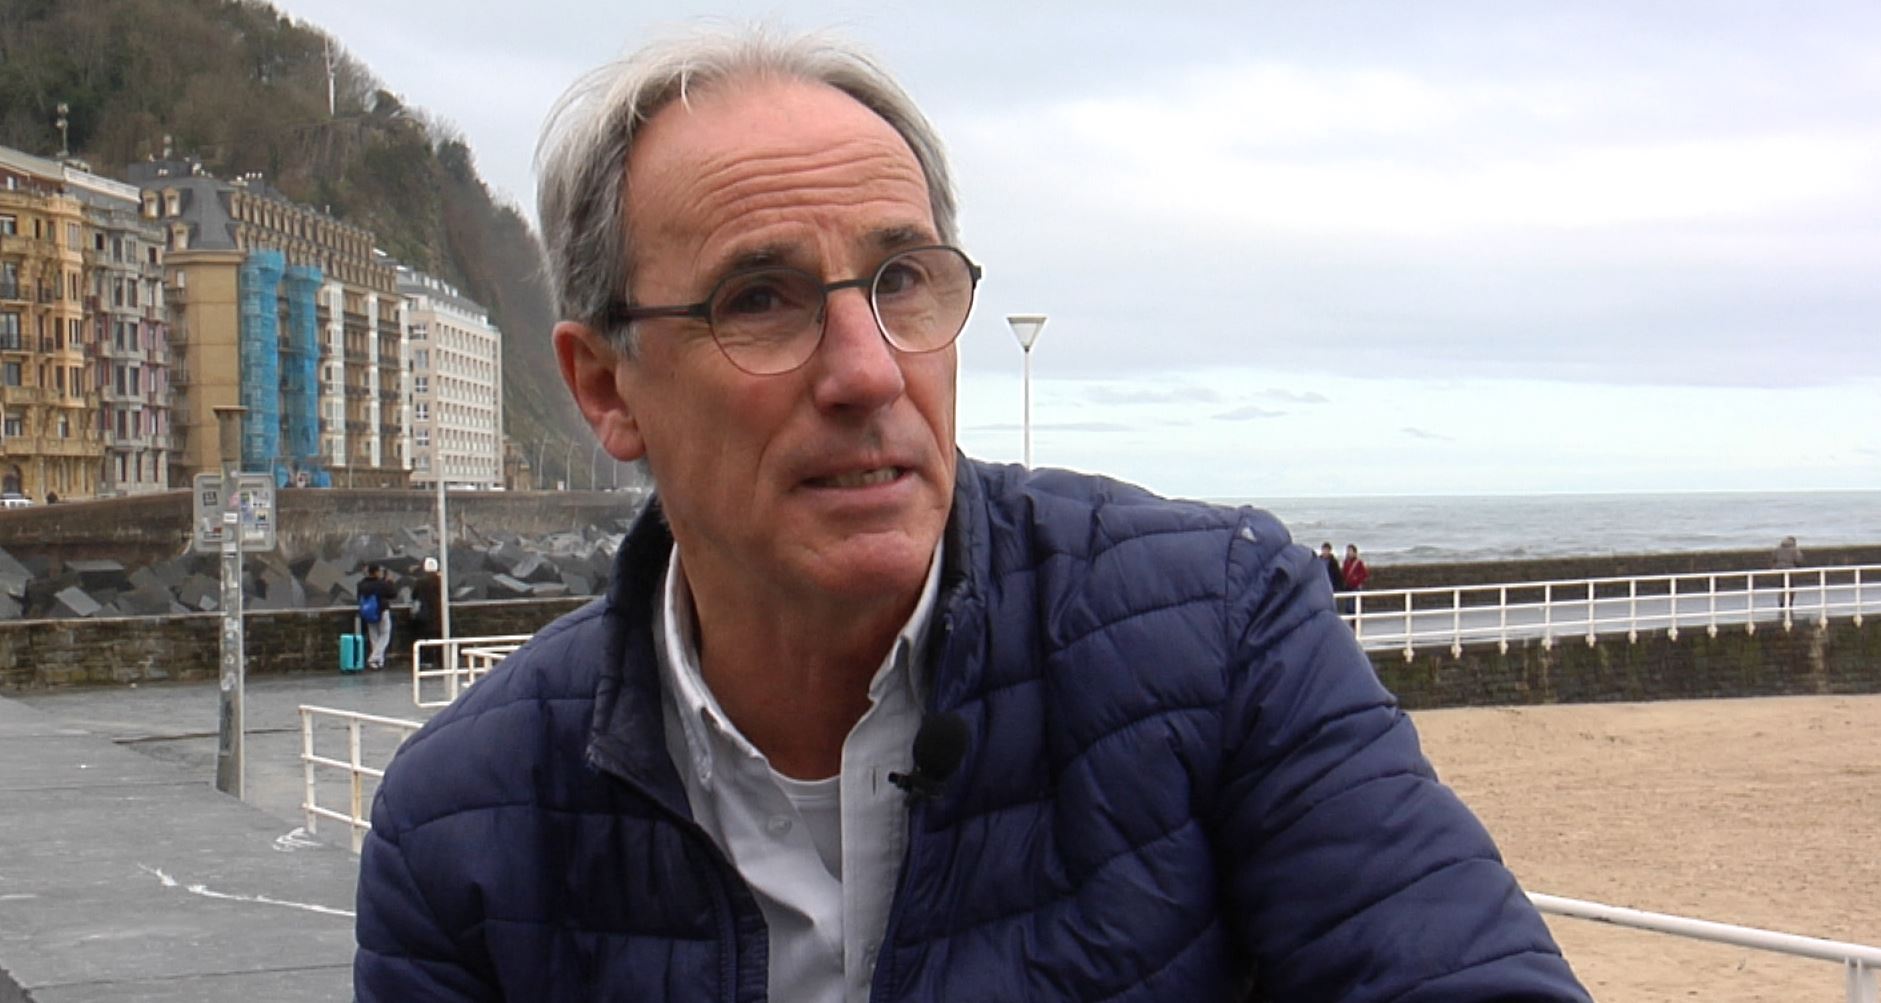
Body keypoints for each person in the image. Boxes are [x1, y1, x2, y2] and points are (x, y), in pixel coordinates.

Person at [355, 27, 1588, 1002]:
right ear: (606, 387)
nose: (869, 370)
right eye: (761, 297)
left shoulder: (1220, 633)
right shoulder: (465, 825)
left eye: (903, 281)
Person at [355, 563, 398, 671]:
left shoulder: (361, 584)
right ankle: (373, 658)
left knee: (374, 636)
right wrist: (390, 582)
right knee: (385, 635)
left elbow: (359, 597)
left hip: (368, 612)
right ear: (376, 572)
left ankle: (379, 662)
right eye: (380, 571)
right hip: (382, 610)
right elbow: (393, 594)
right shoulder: (381, 583)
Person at [408, 557, 443, 667]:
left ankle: (427, 660)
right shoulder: (441, 580)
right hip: (439, 613)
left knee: (426, 637)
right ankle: (441, 659)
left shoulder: (421, 581)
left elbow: (414, 595)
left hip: (425, 613)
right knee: (440, 637)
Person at [1772, 535, 1803, 610]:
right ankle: (1789, 603)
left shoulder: (1777, 549)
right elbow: (1799, 560)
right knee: (1791, 587)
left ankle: (1781, 603)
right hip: (1790, 570)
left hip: (1779, 570)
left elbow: (1774, 558)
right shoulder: (1794, 549)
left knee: (1782, 587)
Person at [1341, 543, 1371, 616]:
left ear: (1355, 552)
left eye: (1350, 551)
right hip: (1348, 587)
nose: (1348, 552)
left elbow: (1364, 574)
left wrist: (1356, 579)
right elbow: (1344, 574)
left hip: (1356, 587)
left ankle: (1355, 621)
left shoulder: (1358, 562)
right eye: (1348, 551)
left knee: (1354, 607)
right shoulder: (1346, 562)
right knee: (1348, 607)